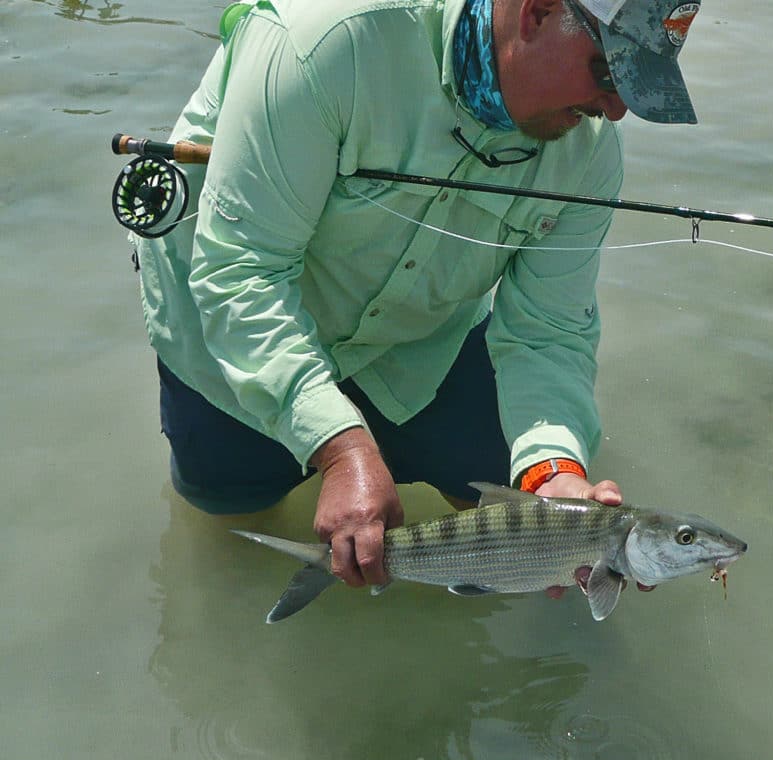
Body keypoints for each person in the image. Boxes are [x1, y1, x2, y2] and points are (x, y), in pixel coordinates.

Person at [135, 0, 701, 591]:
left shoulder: (589, 155)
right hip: (230, 330)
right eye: (609, 75)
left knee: (502, 474)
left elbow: (549, 330)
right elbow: (240, 272)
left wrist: (555, 472)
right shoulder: (325, 42)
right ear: (535, 14)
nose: (614, 111)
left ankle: (467, 558)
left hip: (417, 342)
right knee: (224, 509)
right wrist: (341, 450)